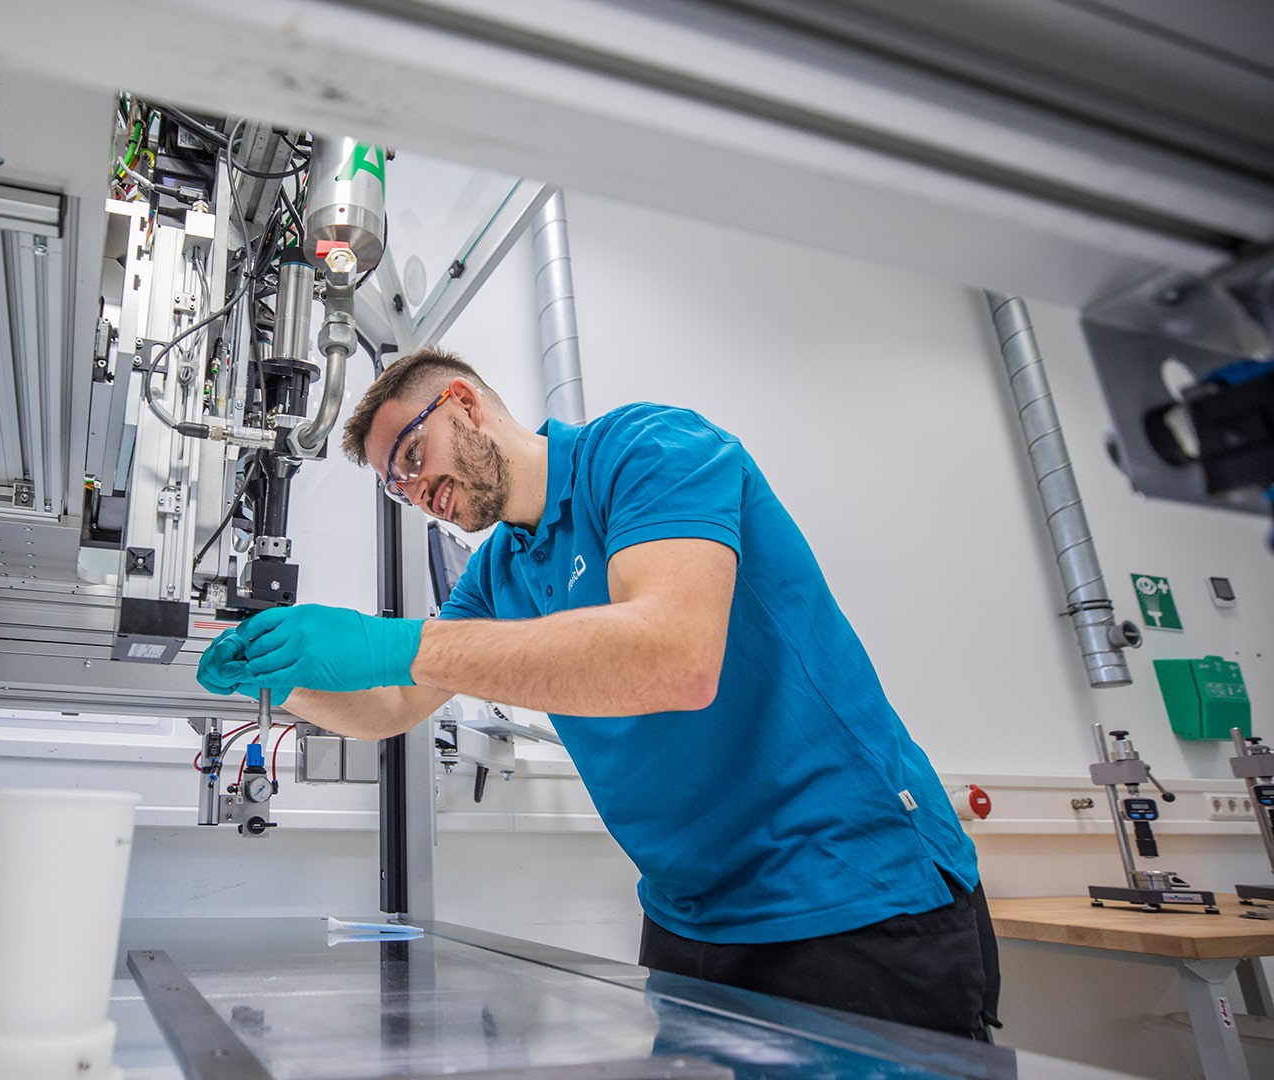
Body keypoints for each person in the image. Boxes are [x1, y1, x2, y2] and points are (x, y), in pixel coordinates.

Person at [196, 347, 1001, 1039]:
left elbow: (673, 659)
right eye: (395, 490)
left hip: (850, 899)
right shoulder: (502, 571)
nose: (414, 493)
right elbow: (394, 706)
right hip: (691, 919)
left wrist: (387, 640)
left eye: (410, 459)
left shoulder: (650, 449)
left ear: (463, 403)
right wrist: (283, 680)